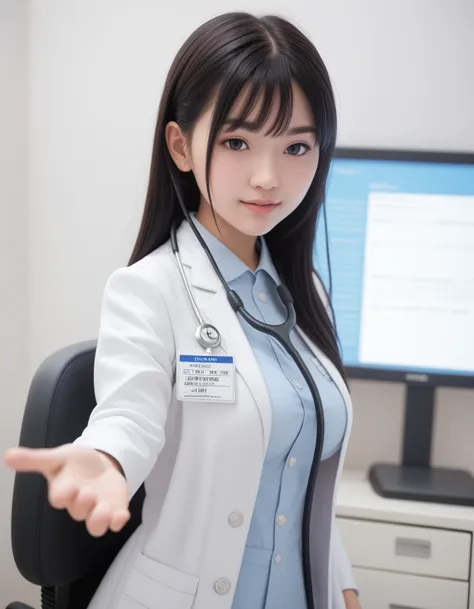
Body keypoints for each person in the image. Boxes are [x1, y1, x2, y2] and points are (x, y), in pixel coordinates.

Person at [4, 11, 361, 609]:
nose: (269, 176)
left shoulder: (306, 295)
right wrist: (105, 460)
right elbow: (131, 417)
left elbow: (303, 472)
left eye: (297, 145)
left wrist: (342, 583)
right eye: (237, 141)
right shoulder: (149, 290)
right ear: (181, 146)